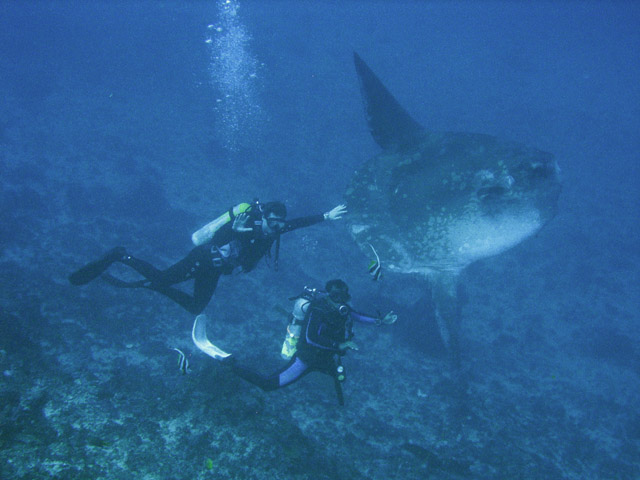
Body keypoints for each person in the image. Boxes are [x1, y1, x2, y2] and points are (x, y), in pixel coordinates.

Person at [69, 200, 347, 314]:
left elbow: (299, 223)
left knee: (196, 307)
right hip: (202, 259)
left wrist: (326, 216)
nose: (276, 227)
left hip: (215, 270)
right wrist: (233, 232)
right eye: (272, 221)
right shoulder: (245, 224)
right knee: (162, 277)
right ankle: (121, 256)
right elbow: (218, 240)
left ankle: (150, 285)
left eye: (278, 223)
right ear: (263, 217)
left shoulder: (275, 229)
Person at [228, 279, 397, 405]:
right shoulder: (318, 310)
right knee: (268, 384)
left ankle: (338, 403)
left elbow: (358, 316)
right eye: (335, 296)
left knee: (339, 385)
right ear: (329, 295)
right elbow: (311, 338)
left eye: (343, 296)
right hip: (306, 359)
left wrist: (380, 320)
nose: (339, 300)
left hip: (326, 360)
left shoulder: (343, 310)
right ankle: (230, 364)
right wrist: (339, 345)